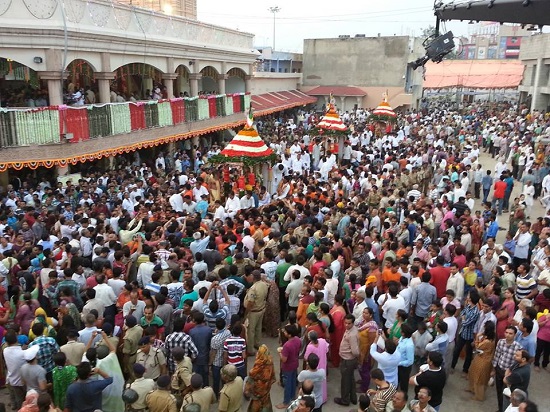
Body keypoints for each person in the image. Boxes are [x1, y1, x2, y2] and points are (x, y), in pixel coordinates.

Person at [492, 325, 523, 412]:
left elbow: (517, 363)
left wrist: (510, 374)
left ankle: (504, 409)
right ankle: (500, 408)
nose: (508, 335)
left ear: (515, 335)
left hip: (508, 373)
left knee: (506, 393)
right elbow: (496, 355)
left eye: (510, 333)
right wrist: (494, 369)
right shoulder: (500, 342)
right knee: (498, 391)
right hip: (499, 369)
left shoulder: (518, 347)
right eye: (506, 332)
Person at [451, 291, 480, 375]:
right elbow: (462, 313)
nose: (467, 297)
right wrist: (463, 318)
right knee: (456, 350)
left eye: (468, 296)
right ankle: (452, 366)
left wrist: (463, 318)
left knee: (468, 354)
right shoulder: (468, 306)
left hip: (470, 335)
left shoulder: (475, 312)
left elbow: (465, 323)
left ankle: (465, 369)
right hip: (462, 333)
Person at [468, 320, 496, 401]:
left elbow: (478, 346)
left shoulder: (488, 341)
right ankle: (472, 389)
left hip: (484, 360)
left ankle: (479, 396)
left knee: (479, 378)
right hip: (479, 357)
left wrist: (477, 337)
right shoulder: (489, 337)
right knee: (472, 372)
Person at [334, 314, 359, 407]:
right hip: (347, 359)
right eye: (345, 323)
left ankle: (345, 400)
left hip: (348, 360)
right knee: (351, 379)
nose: (346, 325)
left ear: (353, 323)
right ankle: (353, 398)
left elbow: (355, 351)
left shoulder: (352, 334)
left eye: (349, 323)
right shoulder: (350, 330)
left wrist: (352, 356)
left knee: (345, 381)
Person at [244, 344, 276, 412]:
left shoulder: (255, 370)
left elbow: (247, 391)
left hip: (257, 398)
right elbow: (273, 378)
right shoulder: (270, 365)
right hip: (266, 395)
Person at [244, 270, 269, 355]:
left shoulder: (253, 289)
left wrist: (246, 312)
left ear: (253, 277)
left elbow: (250, 302)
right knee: (258, 328)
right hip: (261, 309)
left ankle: (251, 350)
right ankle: (257, 344)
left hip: (253, 311)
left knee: (251, 330)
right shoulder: (264, 284)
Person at [277, 324, 301, 409]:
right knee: (293, 381)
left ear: (289, 334)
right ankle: (293, 397)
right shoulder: (298, 340)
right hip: (295, 363)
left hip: (288, 367)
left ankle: (286, 402)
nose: (284, 333)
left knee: (287, 384)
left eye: (286, 332)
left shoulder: (287, 345)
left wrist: (280, 352)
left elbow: (284, 360)